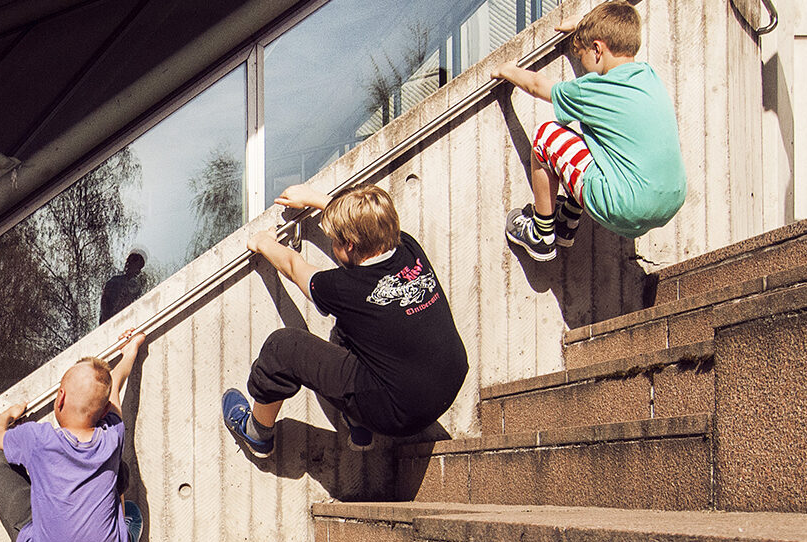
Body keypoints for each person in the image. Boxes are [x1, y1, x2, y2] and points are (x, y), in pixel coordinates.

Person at [223, 183, 467, 455]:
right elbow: (368, 224)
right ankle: (358, 421)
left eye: (335, 240)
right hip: (449, 381)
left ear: (349, 244)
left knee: (283, 347)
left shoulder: (343, 288)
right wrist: (316, 199)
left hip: (400, 414)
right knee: (350, 329)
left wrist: (263, 242)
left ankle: (257, 432)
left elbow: (293, 267)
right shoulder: (407, 247)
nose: (333, 244)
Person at [491, 1, 686, 261]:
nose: (580, 61)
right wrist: (585, 26)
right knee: (595, 142)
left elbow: (538, 85)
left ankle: (541, 235)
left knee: (546, 137)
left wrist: (508, 70)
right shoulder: (648, 76)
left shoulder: (592, 90)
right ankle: (567, 223)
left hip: (627, 207)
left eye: (580, 53)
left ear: (597, 48)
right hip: (671, 201)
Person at [0, 327, 145, 542]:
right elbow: (113, 393)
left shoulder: (38, 438)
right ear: (104, 411)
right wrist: (130, 352)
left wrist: (9, 413)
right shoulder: (113, 434)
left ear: (60, 398)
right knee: (117, 469)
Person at [99, 250, 148, 322]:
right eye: (128, 261)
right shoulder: (114, 281)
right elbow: (105, 301)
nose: (128, 264)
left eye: (133, 262)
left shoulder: (138, 290)